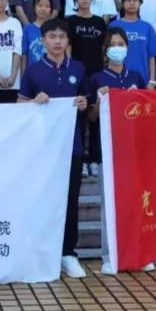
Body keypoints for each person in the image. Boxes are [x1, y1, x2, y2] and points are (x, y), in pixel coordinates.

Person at [17, 19, 89, 279]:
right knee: (42, 198)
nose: (57, 41)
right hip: (42, 149)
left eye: (62, 37)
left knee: (70, 200)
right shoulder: (34, 70)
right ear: (43, 40)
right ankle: (40, 250)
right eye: (52, 36)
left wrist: (84, 104)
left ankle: (68, 253)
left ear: (68, 41)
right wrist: (34, 103)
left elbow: (87, 102)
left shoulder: (78, 68)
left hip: (72, 147)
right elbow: (20, 105)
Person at [108, 0, 156, 88]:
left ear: (140, 3)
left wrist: (152, 81)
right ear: (122, 3)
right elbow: (106, 53)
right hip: (117, 79)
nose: (131, 3)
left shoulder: (147, 27)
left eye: (135, 0)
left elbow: (152, 56)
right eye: (128, 0)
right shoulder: (114, 26)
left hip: (142, 80)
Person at [22, 0, 54, 69]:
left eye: (47, 6)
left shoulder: (55, 29)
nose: (43, 9)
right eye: (40, 5)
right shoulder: (27, 29)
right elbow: (24, 54)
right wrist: (23, 74)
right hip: (32, 72)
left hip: (52, 71)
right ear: (34, 7)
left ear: (51, 10)